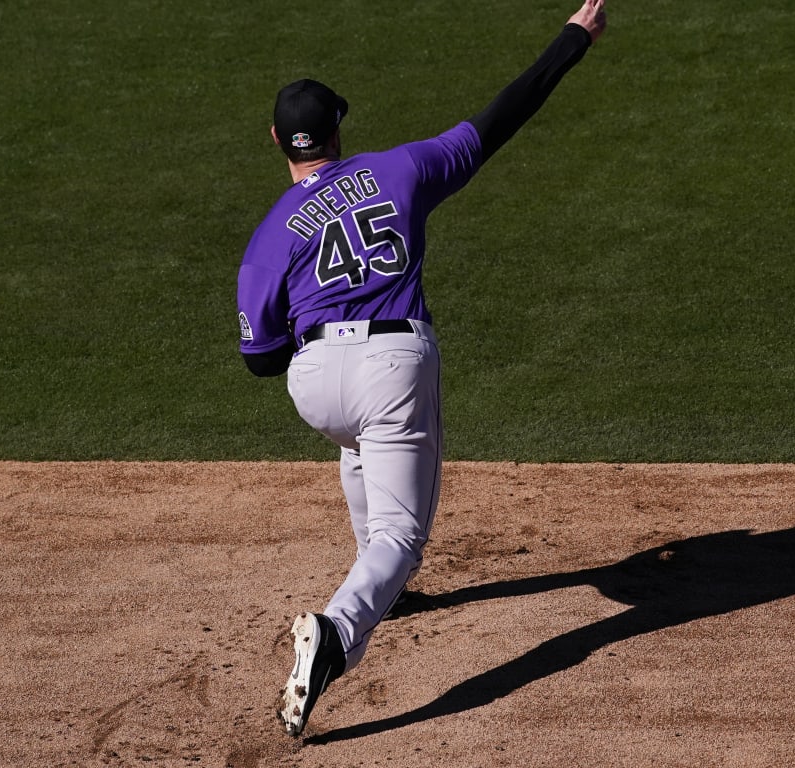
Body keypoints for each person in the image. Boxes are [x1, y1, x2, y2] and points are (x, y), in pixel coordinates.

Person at [234, 0, 607, 737]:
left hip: (315, 383)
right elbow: (500, 119)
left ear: (277, 140)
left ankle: (386, 593)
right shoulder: (400, 168)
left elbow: (259, 357)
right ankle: (337, 632)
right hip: (393, 364)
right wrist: (572, 39)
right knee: (402, 536)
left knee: (356, 437)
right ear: (339, 129)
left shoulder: (270, 233)